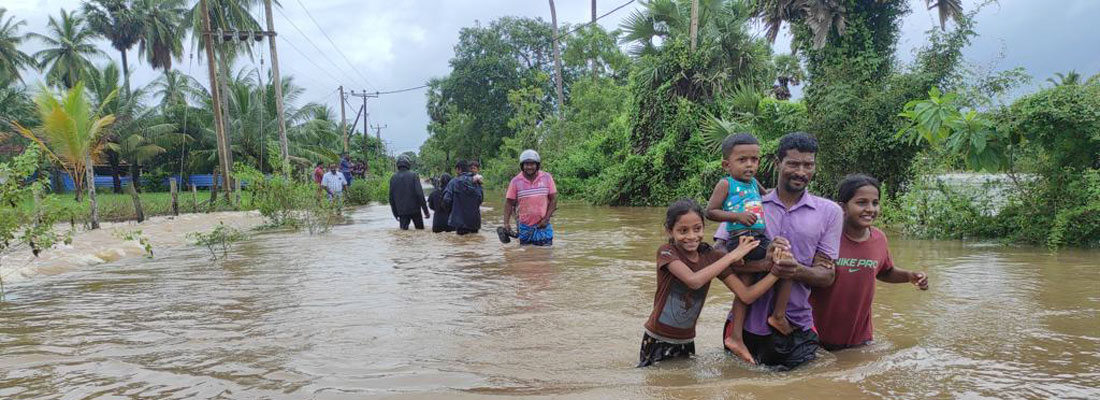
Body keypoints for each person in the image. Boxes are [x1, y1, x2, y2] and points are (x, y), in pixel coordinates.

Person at [716, 132, 842, 370]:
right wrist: (763, 264)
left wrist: (793, 269)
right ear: (777, 163)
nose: (801, 171)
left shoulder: (830, 212)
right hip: (744, 329)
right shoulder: (748, 200)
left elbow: (827, 276)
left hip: (796, 327)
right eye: (793, 163)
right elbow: (718, 254)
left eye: (808, 165)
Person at [638, 199, 781, 367]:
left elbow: (746, 295)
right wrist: (731, 256)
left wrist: (775, 272)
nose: (691, 236)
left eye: (697, 229)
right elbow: (694, 281)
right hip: (657, 339)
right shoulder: (667, 252)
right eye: (683, 231)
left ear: (703, 228)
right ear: (669, 231)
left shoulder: (710, 257)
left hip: (687, 340)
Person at [810, 174, 929, 351]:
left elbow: (884, 271)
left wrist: (909, 276)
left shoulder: (879, 238)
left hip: (860, 339)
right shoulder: (826, 237)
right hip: (816, 339)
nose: (870, 209)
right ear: (842, 207)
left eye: (875, 203)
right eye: (861, 202)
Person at [704, 133, 795, 364]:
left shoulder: (754, 183)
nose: (750, 165)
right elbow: (710, 211)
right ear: (727, 164)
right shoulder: (726, 184)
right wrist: (736, 215)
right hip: (741, 240)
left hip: (759, 238)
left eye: (754, 160)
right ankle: (751, 329)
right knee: (757, 280)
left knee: (785, 263)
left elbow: (770, 198)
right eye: (742, 160)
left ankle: (773, 317)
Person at [501, 150, 557, 246]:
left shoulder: (547, 178)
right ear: (522, 166)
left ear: (537, 165)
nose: (529, 167)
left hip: (543, 226)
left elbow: (554, 199)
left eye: (532, 164)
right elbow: (509, 203)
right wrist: (506, 223)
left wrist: (546, 219)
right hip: (524, 227)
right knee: (525, 255)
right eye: (526, 164)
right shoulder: (515, 182)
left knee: (546, 255)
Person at [389, 156, 430, 230]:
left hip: (402, 212)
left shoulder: (393, 178)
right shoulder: (414, 175)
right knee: (420, 233)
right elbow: (420, 194)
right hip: (415, 211)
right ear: (408, 164)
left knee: (403, 236)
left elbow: (391, 198)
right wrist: (426, 211)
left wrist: (395, 214)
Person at [443, 160, 483, 235]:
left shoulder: (454, 181)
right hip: (474, 220)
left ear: (459, 169)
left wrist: (452, 212)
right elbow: (480, 199)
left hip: (459, 221)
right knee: (475, 243)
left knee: (461, 243)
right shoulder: (477, 180)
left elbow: (446, 200)